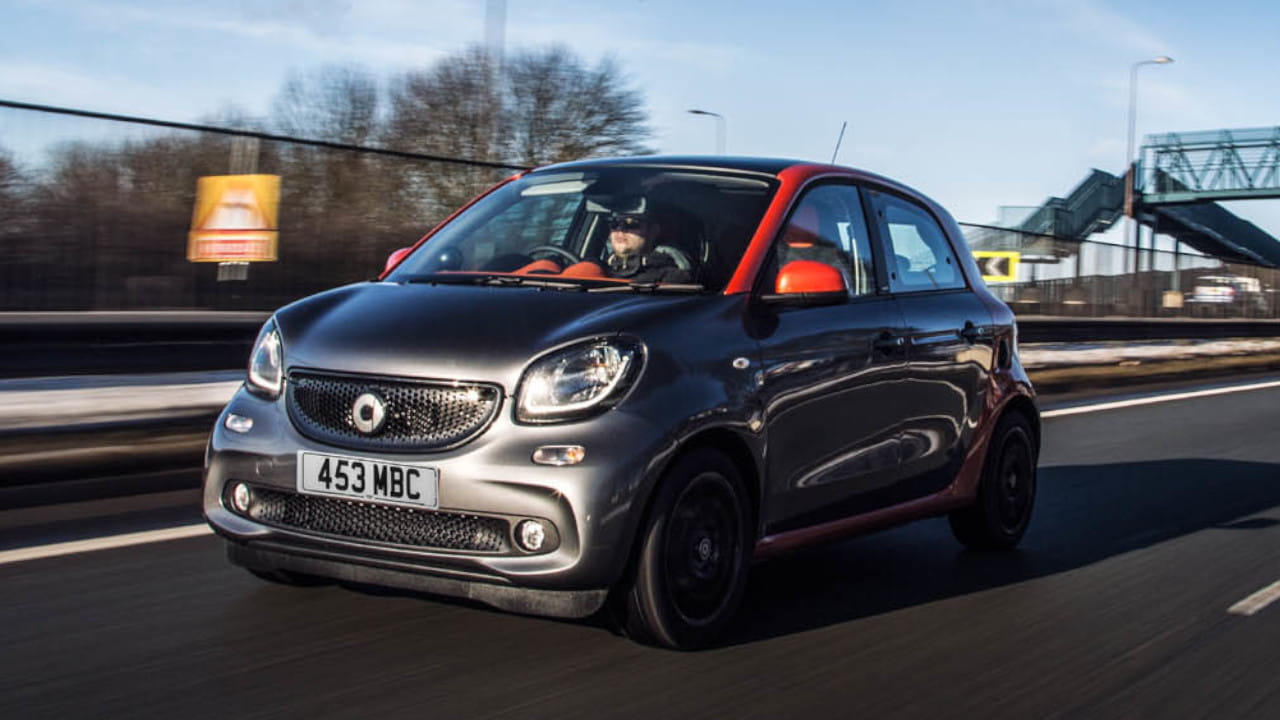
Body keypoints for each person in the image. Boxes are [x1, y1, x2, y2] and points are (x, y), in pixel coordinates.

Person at [604, 198, 692, 284]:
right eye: (614, 223)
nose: (620, 229)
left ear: (653, 230)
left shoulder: (672, 278)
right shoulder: (598, 270)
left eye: (632, 223)